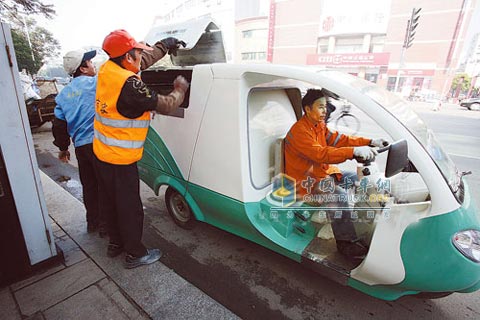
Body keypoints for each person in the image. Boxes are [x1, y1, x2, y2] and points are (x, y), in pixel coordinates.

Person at [94, 29, 189, 269]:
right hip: (120, 160)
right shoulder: (130, 86)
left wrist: (164, 45)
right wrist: (180, 88)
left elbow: (142, 61)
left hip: (101, 154)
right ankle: (135, 253)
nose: (140, 57)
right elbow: (166, 105)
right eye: (137, 52)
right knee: (129, 208)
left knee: (109, 203)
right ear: (128, 57)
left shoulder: (108, 69)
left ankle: (115, 244)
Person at [284, 89, 388, 258]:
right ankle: (345, 243)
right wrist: (353, 152)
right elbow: (322, 154)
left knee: (357, 179)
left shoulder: (319, 127)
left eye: (325, 106)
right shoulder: (300, 132)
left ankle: (365, 220)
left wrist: (370, 141)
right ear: (307, 109)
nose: (325, 111)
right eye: (320, 107)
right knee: (338, 195)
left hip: (323, 174)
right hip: (305, 182)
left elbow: (341, 140)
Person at [52, 48, 106, 237]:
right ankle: (107, 226)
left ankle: (93, 222)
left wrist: (63, 148)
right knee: (105, 185)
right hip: (100, 145)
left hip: (81, 148)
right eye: (90, 62)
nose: (93, 64)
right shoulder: (96, 84)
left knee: (89, 185)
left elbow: (59, 124)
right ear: (83, 68)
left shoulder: (63, 94)